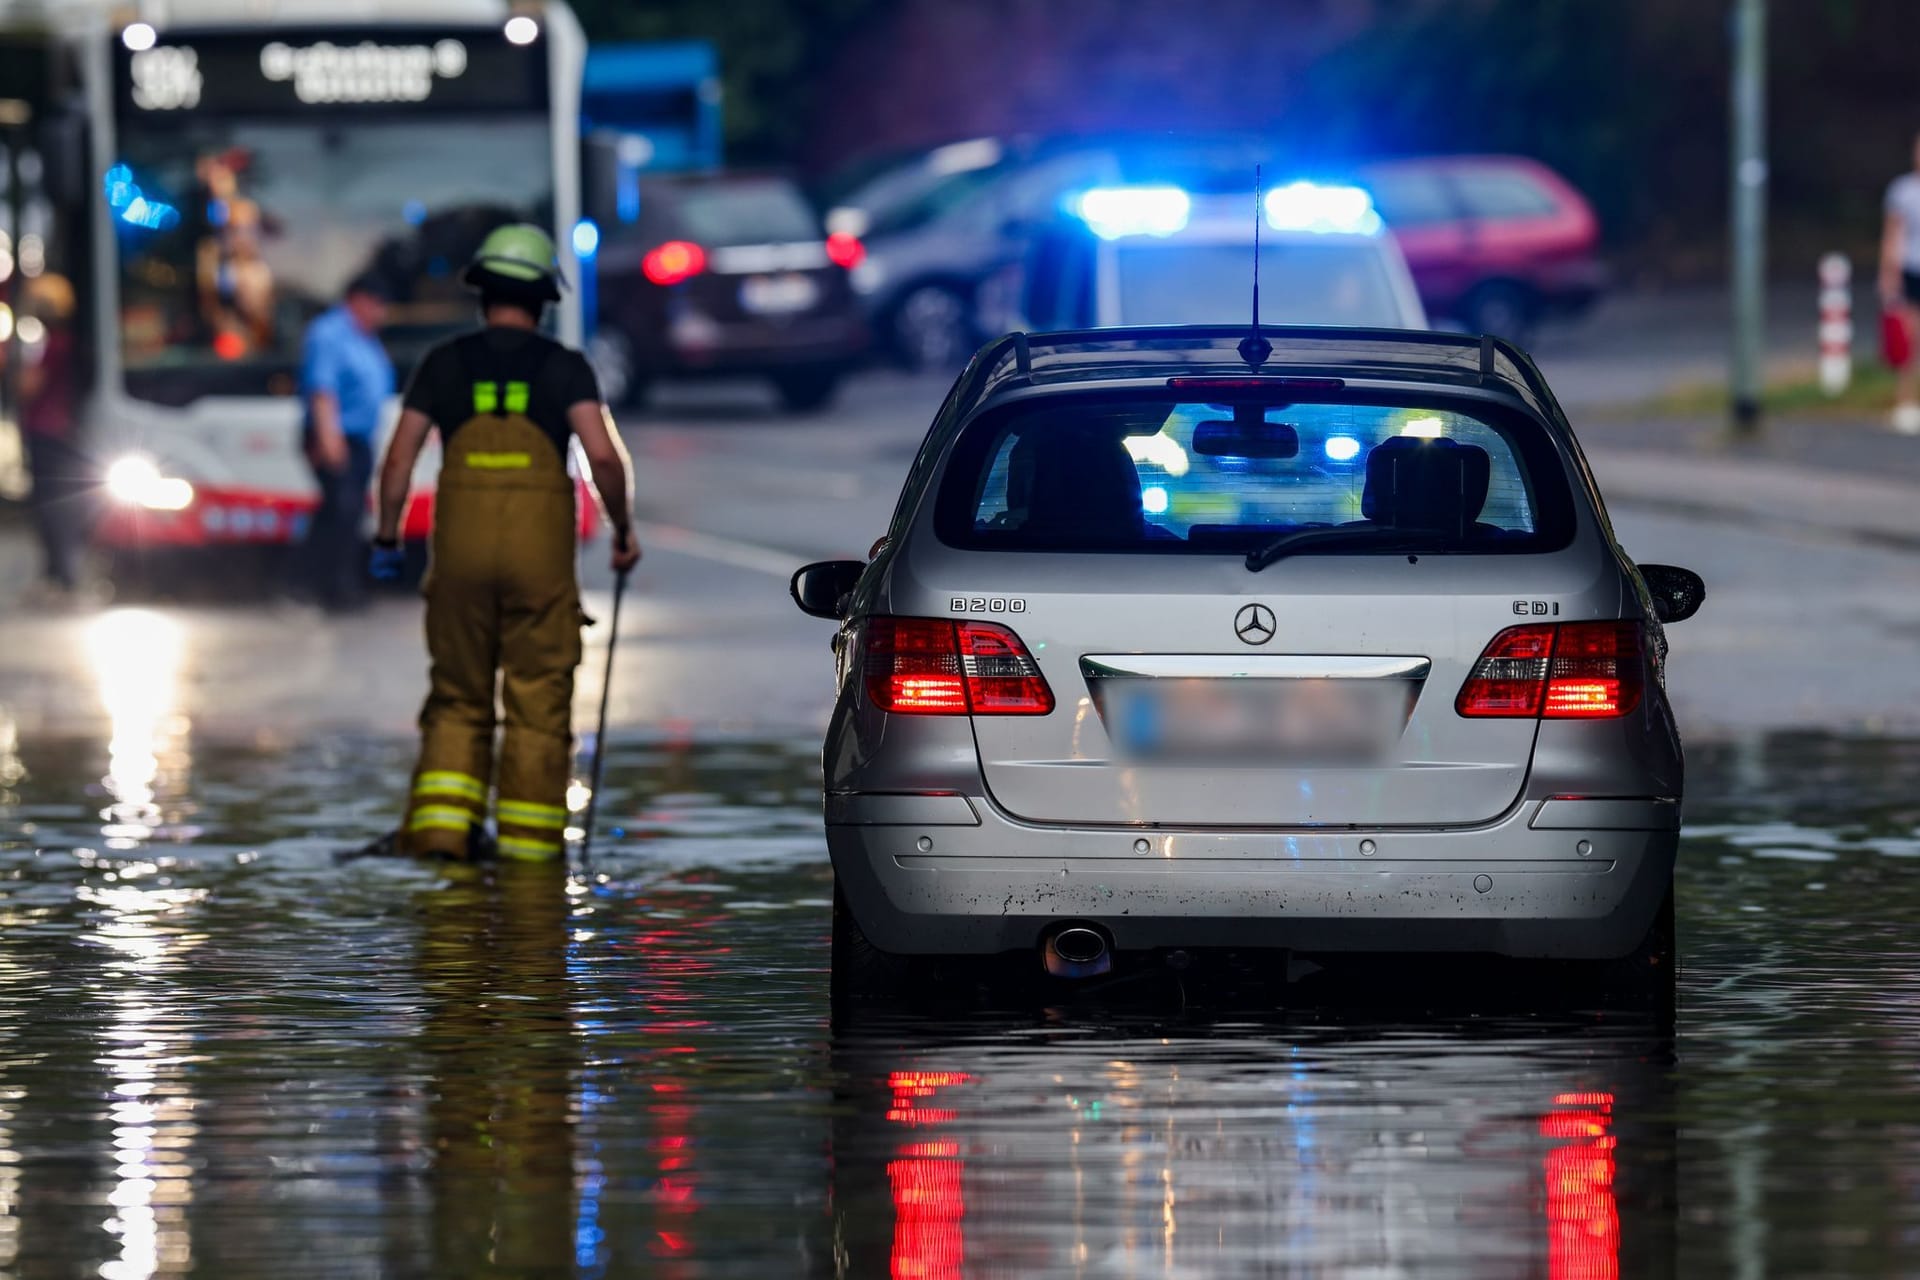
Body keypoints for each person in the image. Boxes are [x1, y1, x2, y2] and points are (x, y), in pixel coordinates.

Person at [370, 224, 641, 861]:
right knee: (538, 700)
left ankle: (440, 833)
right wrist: (623, 530)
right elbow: (602, 456)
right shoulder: (566, 367)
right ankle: (528, 851)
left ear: (481, 294)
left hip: (459, 557)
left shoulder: (442, 363)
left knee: (459, 694)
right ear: (546, 298)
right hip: (538, 562)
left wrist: (386, 537)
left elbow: (398, 462)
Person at [298, 273, 394, 609]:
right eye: (377, 305)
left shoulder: (365, 337)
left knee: (344, 513)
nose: (381, 313)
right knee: (343, 511)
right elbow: (323, 392)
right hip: (335, 436)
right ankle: (333, 589)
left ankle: (320, 583)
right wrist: (330, 440)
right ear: (359, 300)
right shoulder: (330, 334)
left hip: (358, 439)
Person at [17, 274, 88, 602]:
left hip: (47, 430)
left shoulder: (56, 344)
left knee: (53, 505)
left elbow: (31, 387)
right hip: (61, 430)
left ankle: (61, 575)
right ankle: (60, 574)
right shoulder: (70, 341)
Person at [1880, 132, 1920, 434]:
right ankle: (1906, 401)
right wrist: (1888, 274)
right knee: (1909, 337)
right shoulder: (1903, 191)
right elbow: (1893, 235)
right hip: (1911, 267)